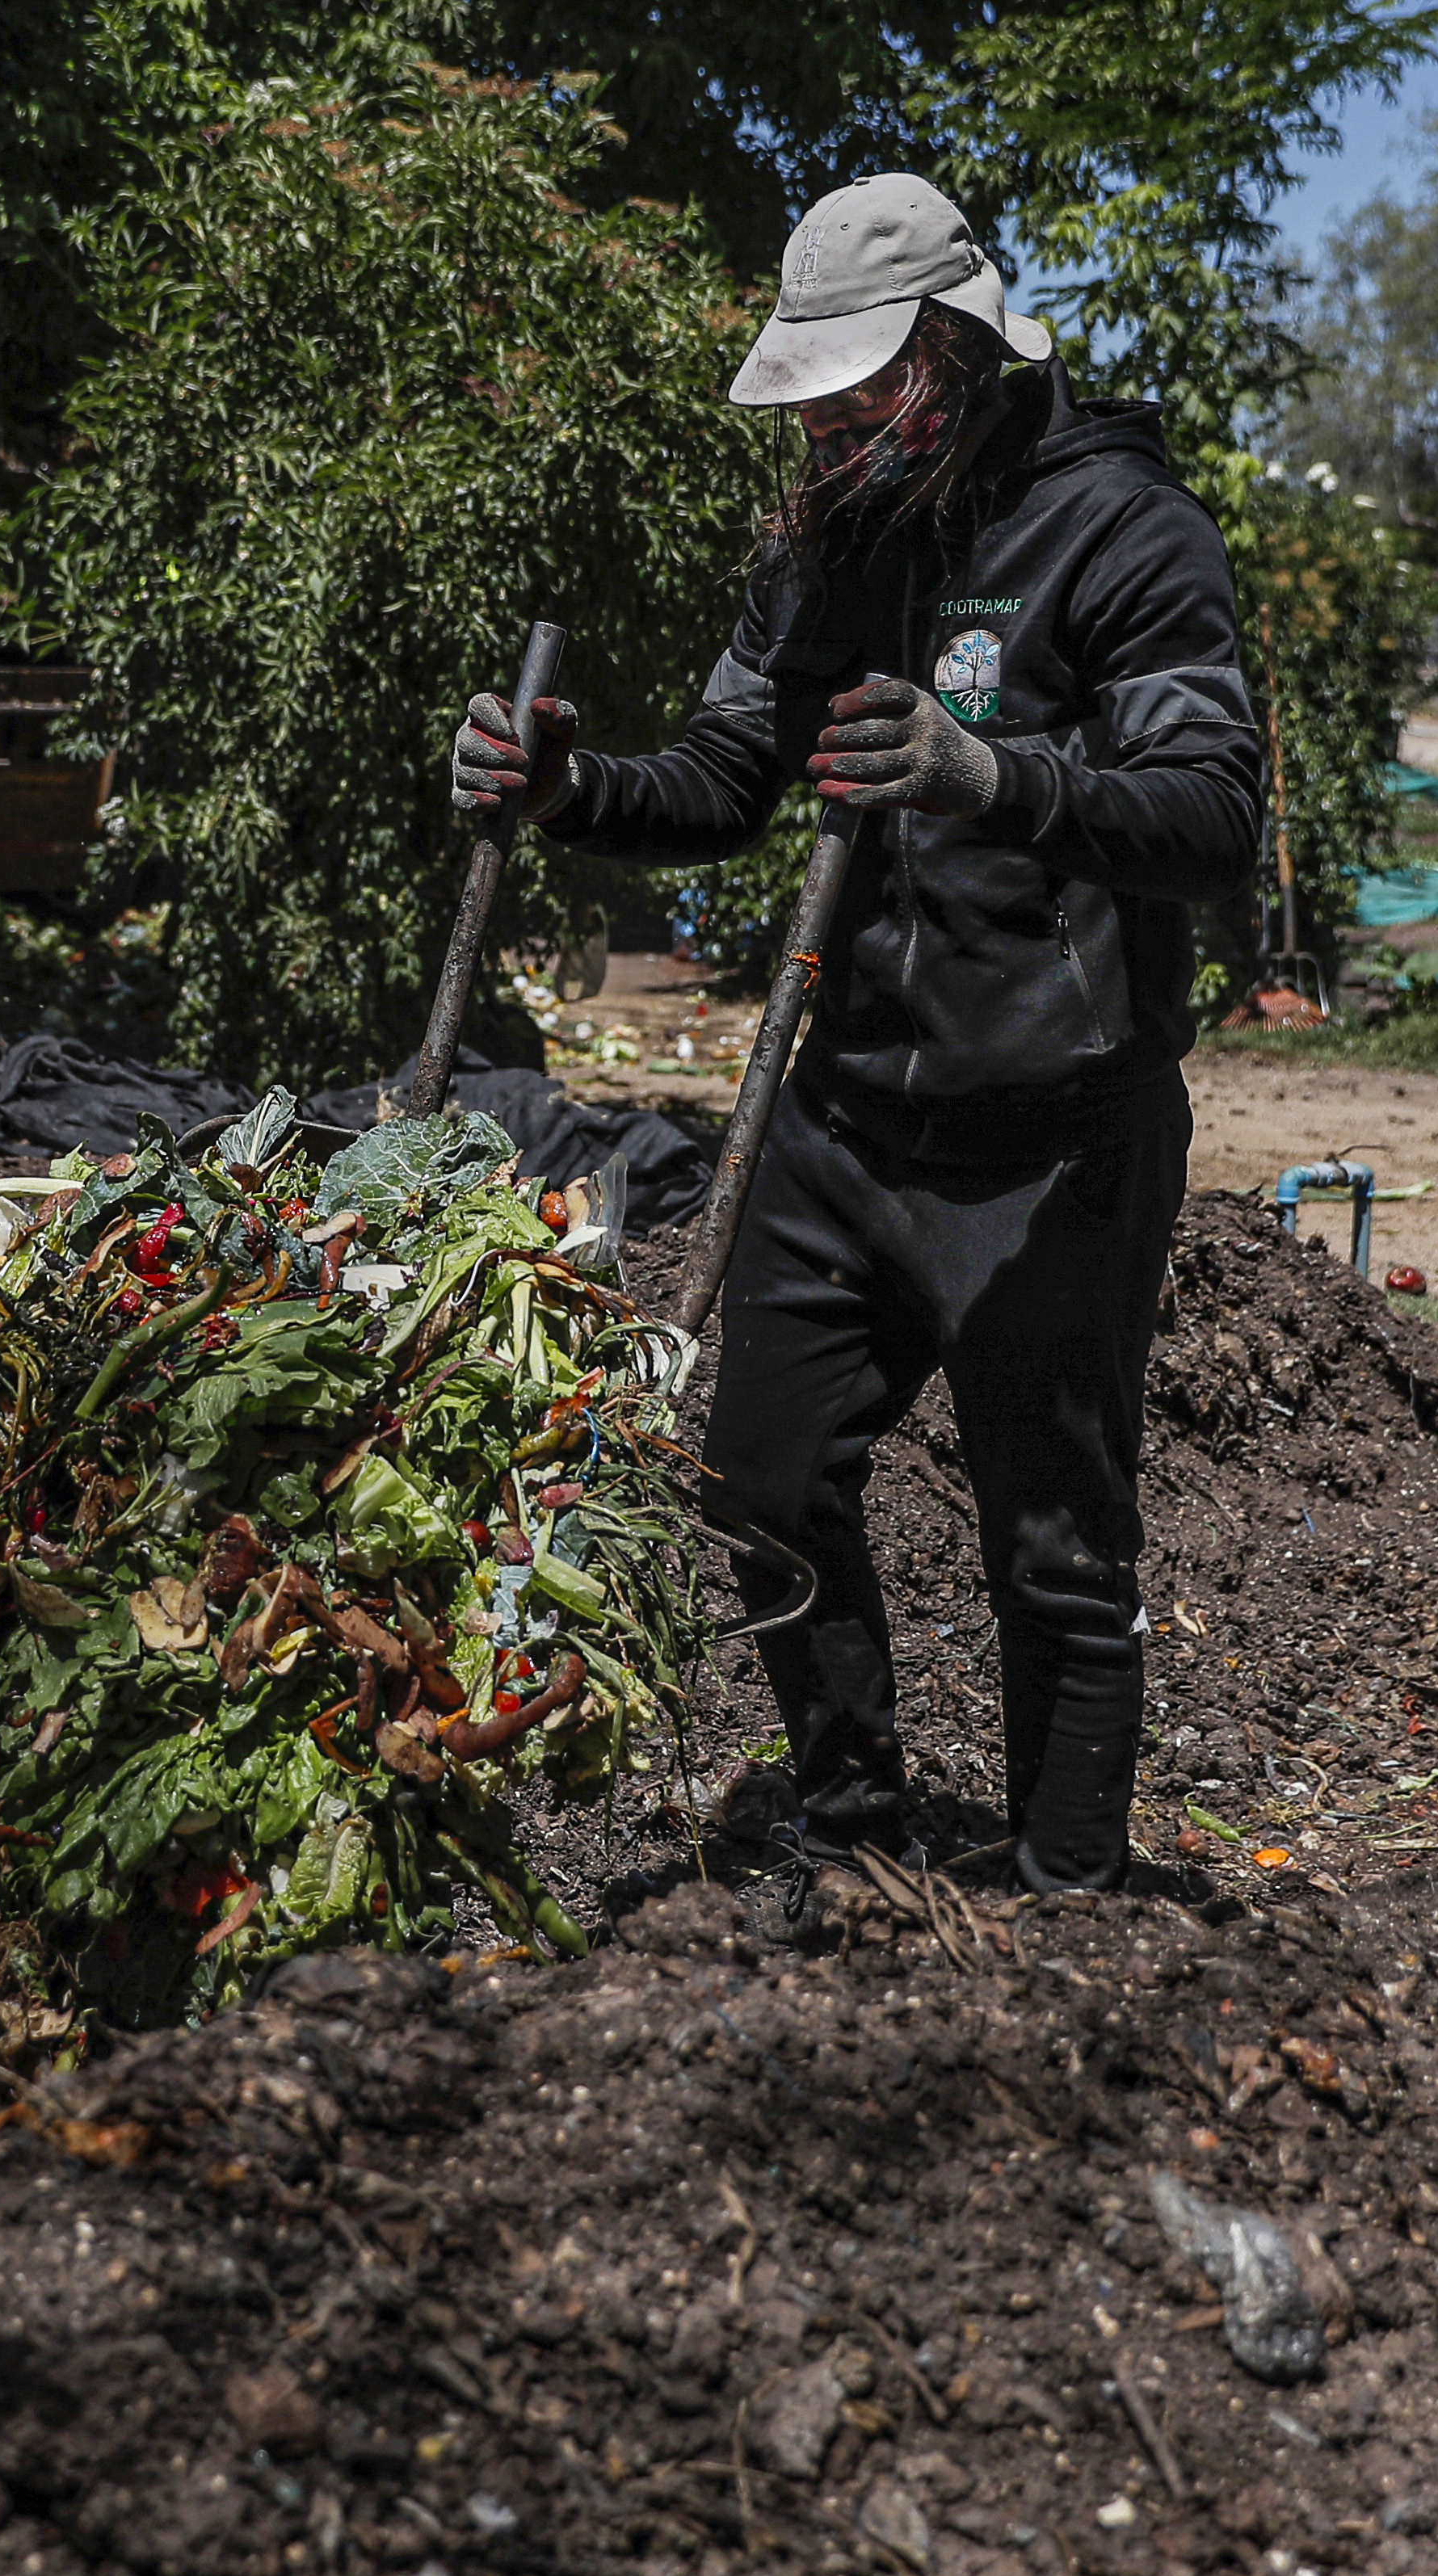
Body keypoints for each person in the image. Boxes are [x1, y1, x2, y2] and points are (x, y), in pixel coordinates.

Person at [448, 173, 1261, 1894]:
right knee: (754, 1472)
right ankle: (850, 1825)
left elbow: (1208, 813)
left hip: (1053, 1132)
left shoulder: (1121, 529)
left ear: (956, 349)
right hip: (842, 1112)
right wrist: (570, 784)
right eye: (812, 389)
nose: (826, 417)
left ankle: (1066, 1896)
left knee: (1051, 1546)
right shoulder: (830, 533)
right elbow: (726, 776)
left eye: (860, 382)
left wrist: (994, 775)